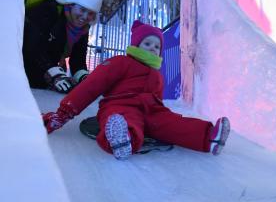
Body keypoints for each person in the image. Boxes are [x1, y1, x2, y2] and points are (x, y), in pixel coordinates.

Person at [42, 20, 231, 160]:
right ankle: (122, 141)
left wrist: (160, 112)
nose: (152, 49)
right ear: (136, 45)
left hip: (152, 110)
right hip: (119, 105)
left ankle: (209, 137)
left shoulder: (157, 74)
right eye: (147, 43)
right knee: (123, 118)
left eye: (157, 46)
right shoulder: (121, 62)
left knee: (172, 122)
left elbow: (157, 99)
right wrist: (63, 113)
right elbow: (90, 87)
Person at [23, 0, 106, 93]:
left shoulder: (83, 29)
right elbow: (32, 46)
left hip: (40, 78)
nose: (85, 17)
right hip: (19, 67)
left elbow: (78, 60)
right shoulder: (49, 10)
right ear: (72, 5)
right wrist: (54, 73)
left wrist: (85, 79)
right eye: (82, 9)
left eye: (91, 13)